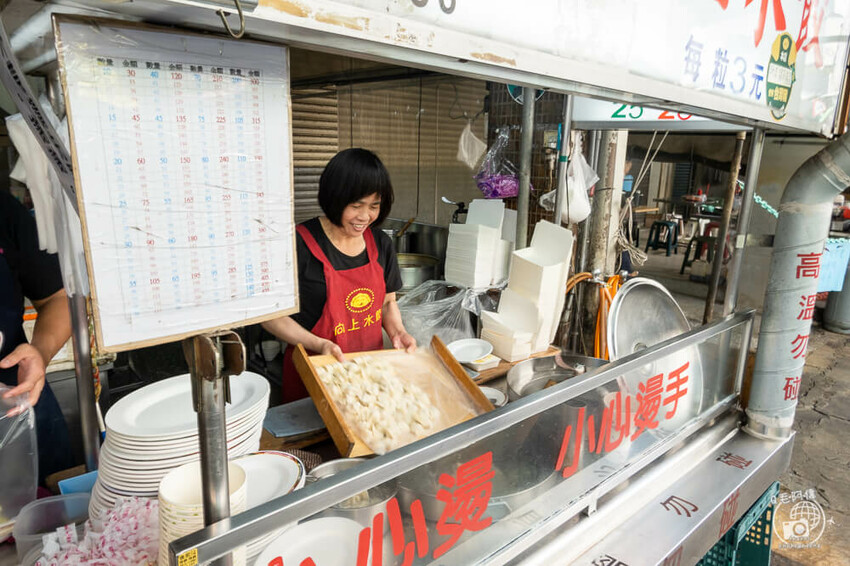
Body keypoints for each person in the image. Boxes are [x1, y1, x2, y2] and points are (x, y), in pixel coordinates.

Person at [263, 148, 416, 402]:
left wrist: (398, 332)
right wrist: (318, 344)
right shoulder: (297, 244)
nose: (365, 217)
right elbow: (270, 317)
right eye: (356, 206)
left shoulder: (380, 243)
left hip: (368, 378)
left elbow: (388, 302)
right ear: (335, 198)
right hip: (314, 378)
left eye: (374, 206)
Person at [0, 190, 74, 482]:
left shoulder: (4, 210)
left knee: (54, 519)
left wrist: (40, 353)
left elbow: (57, 298)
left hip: (20, 399)